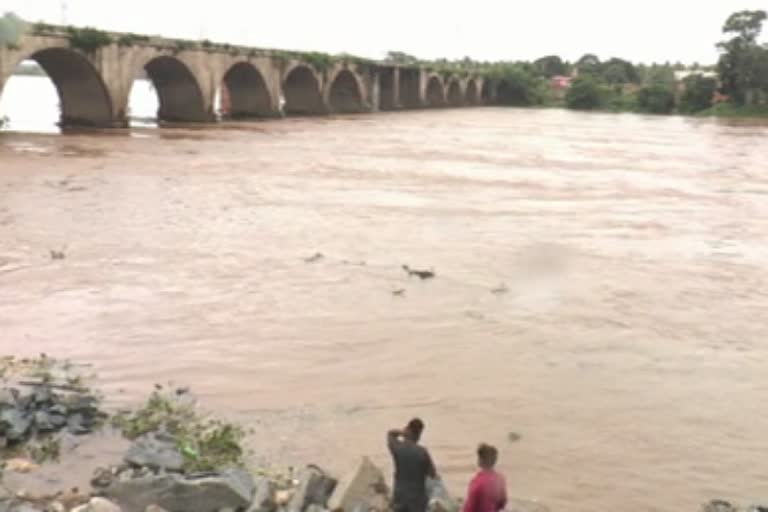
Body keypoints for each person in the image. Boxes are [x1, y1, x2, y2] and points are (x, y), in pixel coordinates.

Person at [387, 418, 437, 512]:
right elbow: (432, 474)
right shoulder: (422, 452)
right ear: (419, 434)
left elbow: (390, 433)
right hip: (417, 501)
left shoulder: (397, 447)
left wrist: (403, 432)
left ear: (407, 429)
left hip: (400, 498)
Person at [462, 443, 507, 512]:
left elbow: (469, 507)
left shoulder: (477, 482)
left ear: (481, 460)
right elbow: (502, 503)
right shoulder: (500, 479)